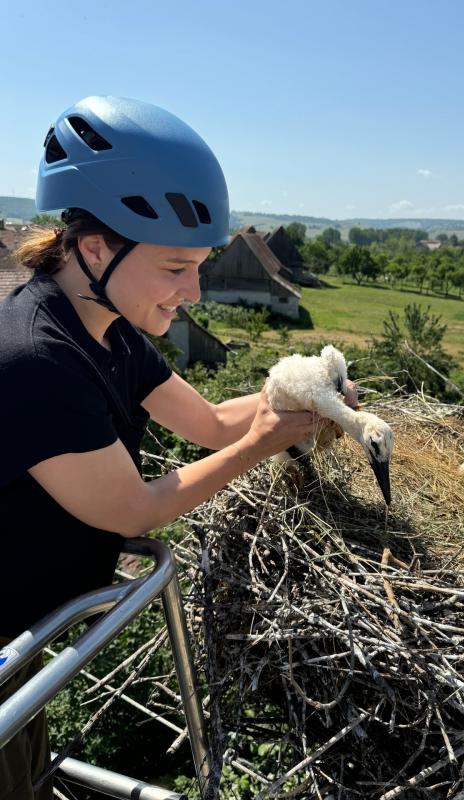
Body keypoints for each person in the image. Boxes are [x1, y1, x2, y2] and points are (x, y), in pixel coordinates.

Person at [0, 96, 356, 800]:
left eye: (198, 266)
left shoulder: (110, 326)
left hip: (25, 638)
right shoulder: (35, 357)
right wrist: (265, 441)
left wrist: (312, 396)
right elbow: (135, 508)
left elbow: (214, 426)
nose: (191, 291)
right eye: (174, 268)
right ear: (95, 247)